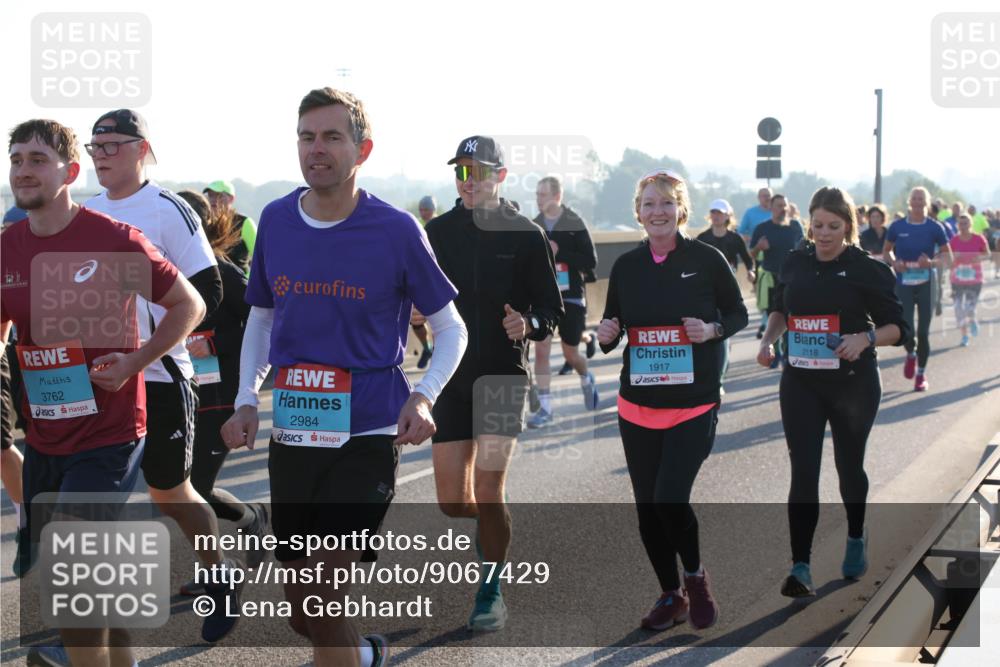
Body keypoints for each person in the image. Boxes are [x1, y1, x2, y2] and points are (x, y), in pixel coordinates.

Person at [221, 87, 466, 667]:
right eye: (307, 137)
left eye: (332, 137)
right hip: (296, 433)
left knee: (327, 596)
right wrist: (245, 398)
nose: (317, 149)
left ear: (363, 149)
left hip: (369, 431)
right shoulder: (278, 220)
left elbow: (451, 328)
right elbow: (262, 316)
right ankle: (365, 657)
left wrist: (425, 396)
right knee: (302, 609)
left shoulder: (396, 229)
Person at [5, 118, 205, 667]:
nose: (23, 169)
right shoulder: (7, 248)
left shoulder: (113, 240)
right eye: (16, 158)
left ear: (70, 171)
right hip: (45, 435)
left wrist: (137, 362)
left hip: (109, 434)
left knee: (72, 560)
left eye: (37, 160)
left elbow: (190, 305)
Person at [83, 108, 241, 645]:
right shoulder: (84, 213)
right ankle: (88, 628)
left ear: (143, 149)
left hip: (162, 375)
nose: (100, 155)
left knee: (171, 493)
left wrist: (149, 340)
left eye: (111, 145)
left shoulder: (168, 209)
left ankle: (220, 575)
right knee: (101, 502)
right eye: (94, 147)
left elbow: (209, 293)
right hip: (104, 382)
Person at [598, 169, 748, 631]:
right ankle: (671, 595)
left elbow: (738, 311)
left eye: (665, 203)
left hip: (694, 402)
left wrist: (712, 329)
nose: (657, 211)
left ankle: (696, 577)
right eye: (648, 204)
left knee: (670, 498)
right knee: (647, 510)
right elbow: (613, 324)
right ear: (638, 214)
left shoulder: (706, 259)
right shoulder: (626, 266)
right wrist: (607, 333)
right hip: (637, 405)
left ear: (681, 209)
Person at [425, 135, 563, 631]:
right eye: (460, 172)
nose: (468, 181)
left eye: (478, 171)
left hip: (504, 376)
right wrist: (415, 312)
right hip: (450, 378)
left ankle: (490, 590)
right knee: (451, 501)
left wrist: (529, 324)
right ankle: (496, 525)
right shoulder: (436, 232)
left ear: (500, 176)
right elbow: (414, 294)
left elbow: (553, 309)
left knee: (488, 487)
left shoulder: (525, 235)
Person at [757, 187, 909, 597]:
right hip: (801, 380)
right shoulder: (795, 261)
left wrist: (865, 338)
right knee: (803, 471)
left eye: (833, 226)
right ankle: (801, 566)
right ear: (809, 222)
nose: (824, 234)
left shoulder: (865, 268)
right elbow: (779, 310)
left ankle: (856, 535)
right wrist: (769, 341)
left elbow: (899, 328)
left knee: (848, 467)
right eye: (818, 225)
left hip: (852, 383)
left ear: (848, 226)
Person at [173, 190, 269, 589]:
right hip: (185, 395)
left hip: (223, 396)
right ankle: (247, 523)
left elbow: (262, 321)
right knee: (175, 491)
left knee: (194, 489)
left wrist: (227, 356)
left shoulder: (223, 272)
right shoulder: (163, 273)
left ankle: (219, 564)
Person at [527, 175, 599, 427]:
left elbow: (591, 262)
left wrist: (561, 252)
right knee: (542, 349)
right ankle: (545, 408)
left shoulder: (574, 222)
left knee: (570, 353)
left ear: (557, 196)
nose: (539, 199)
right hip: (543, 299)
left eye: (543, 194)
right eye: (537, 195)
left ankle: (586, 376)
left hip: (570, 297)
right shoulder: (533, 225)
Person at [882, 186, 952, 392]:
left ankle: (921, 374)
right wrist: (894, 263)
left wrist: (931, 262)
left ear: (927, 203)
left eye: (921, 199)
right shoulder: (897, 226)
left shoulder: (935, 227)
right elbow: (887, 251)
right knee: (908, 330)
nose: (918, 202)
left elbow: (948, 257)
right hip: (903, 283)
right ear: (909, 202)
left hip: (926, 284)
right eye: (915, 198)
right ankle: (911, 354)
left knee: (923, 332)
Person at [696, 198, 755, 389]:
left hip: (728, 290)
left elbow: (748, 260)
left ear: (727, 216)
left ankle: (719, 375)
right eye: (713, 212)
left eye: (719, 213)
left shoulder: (734, 238)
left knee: (724, 329)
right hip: (706, 291)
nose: (716, 216)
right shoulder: (703, 238)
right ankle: (717, 373)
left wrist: (751, 272)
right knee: (715, 328)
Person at [749, 194, 805, 366]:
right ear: (771, 208)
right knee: (773, 315)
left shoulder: (795, 226)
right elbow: (750, 254)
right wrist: (759, 247)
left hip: (792, 280)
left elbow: (805, 249)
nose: (783, 209)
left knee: (791, 316)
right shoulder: (762, 228)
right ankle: (775, 351)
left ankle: (788, 354)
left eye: (785, 205)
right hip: (770, 279)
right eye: (779, 205)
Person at [948, 212, 990, 347]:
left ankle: (972, 320)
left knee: (969, 309)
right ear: (957, 226)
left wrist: (980, 258)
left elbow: (987, 254)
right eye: (960, 223)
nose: (963, 226)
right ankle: (964, 336)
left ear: (970, 224)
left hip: (975, 279)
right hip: (957, 279)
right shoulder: (953, 240)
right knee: (959, 309)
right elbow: (947, 259)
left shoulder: (979, 238)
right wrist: (954, 256)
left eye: (965, 223)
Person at [203, 180, 257, 274]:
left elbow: (261, 257)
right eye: (211, 195)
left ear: (231, 199)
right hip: (216, 285)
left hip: (242, 285)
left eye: (219, 195)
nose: (214, 199)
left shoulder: (244, 223)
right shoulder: (205, 223)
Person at [409, 198, 438, 369]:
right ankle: (427, 348)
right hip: (421, 279)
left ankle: (438, 354)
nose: (423, 211)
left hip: (437, 281)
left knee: (438, 322)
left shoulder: (438, 226)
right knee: (416, 320)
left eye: (426, 208)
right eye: (421, 209)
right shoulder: (418, 226)